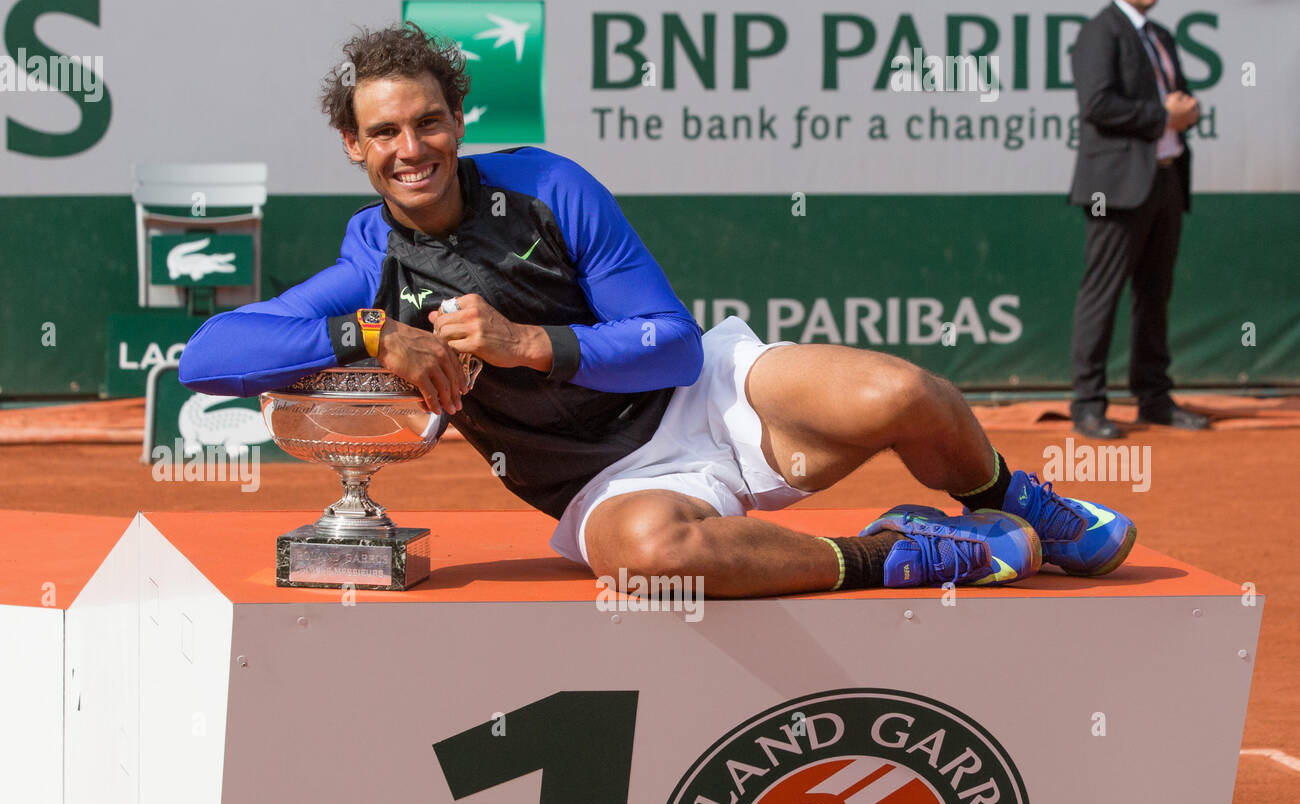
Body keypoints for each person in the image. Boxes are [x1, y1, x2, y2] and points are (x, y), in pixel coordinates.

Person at [180, 21, 1137, 596]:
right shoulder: (371, 259)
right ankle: (892, 553)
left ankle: (1009, 502)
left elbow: (673, 348)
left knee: (901, 390)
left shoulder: (550, 185)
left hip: (709, 400)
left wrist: (532, 343)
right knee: (649, 559)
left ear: (459, 119)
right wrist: (371, 331)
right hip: (603, 485)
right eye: (383, 132)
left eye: (429, 121)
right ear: (353, 146)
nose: (411, 147)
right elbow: (208, 353)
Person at [1067, 0, 1212, 439]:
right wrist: (1163, 116)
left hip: (1167, 179)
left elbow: (1179, 97)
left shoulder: (1161, 35)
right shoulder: (1100, 31)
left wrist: (1187, 111)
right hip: (1114, 186)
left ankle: (1154, 399)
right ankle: (1088, 405)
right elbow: (1097, 104)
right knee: (1102, 293)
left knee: (1155, 294)